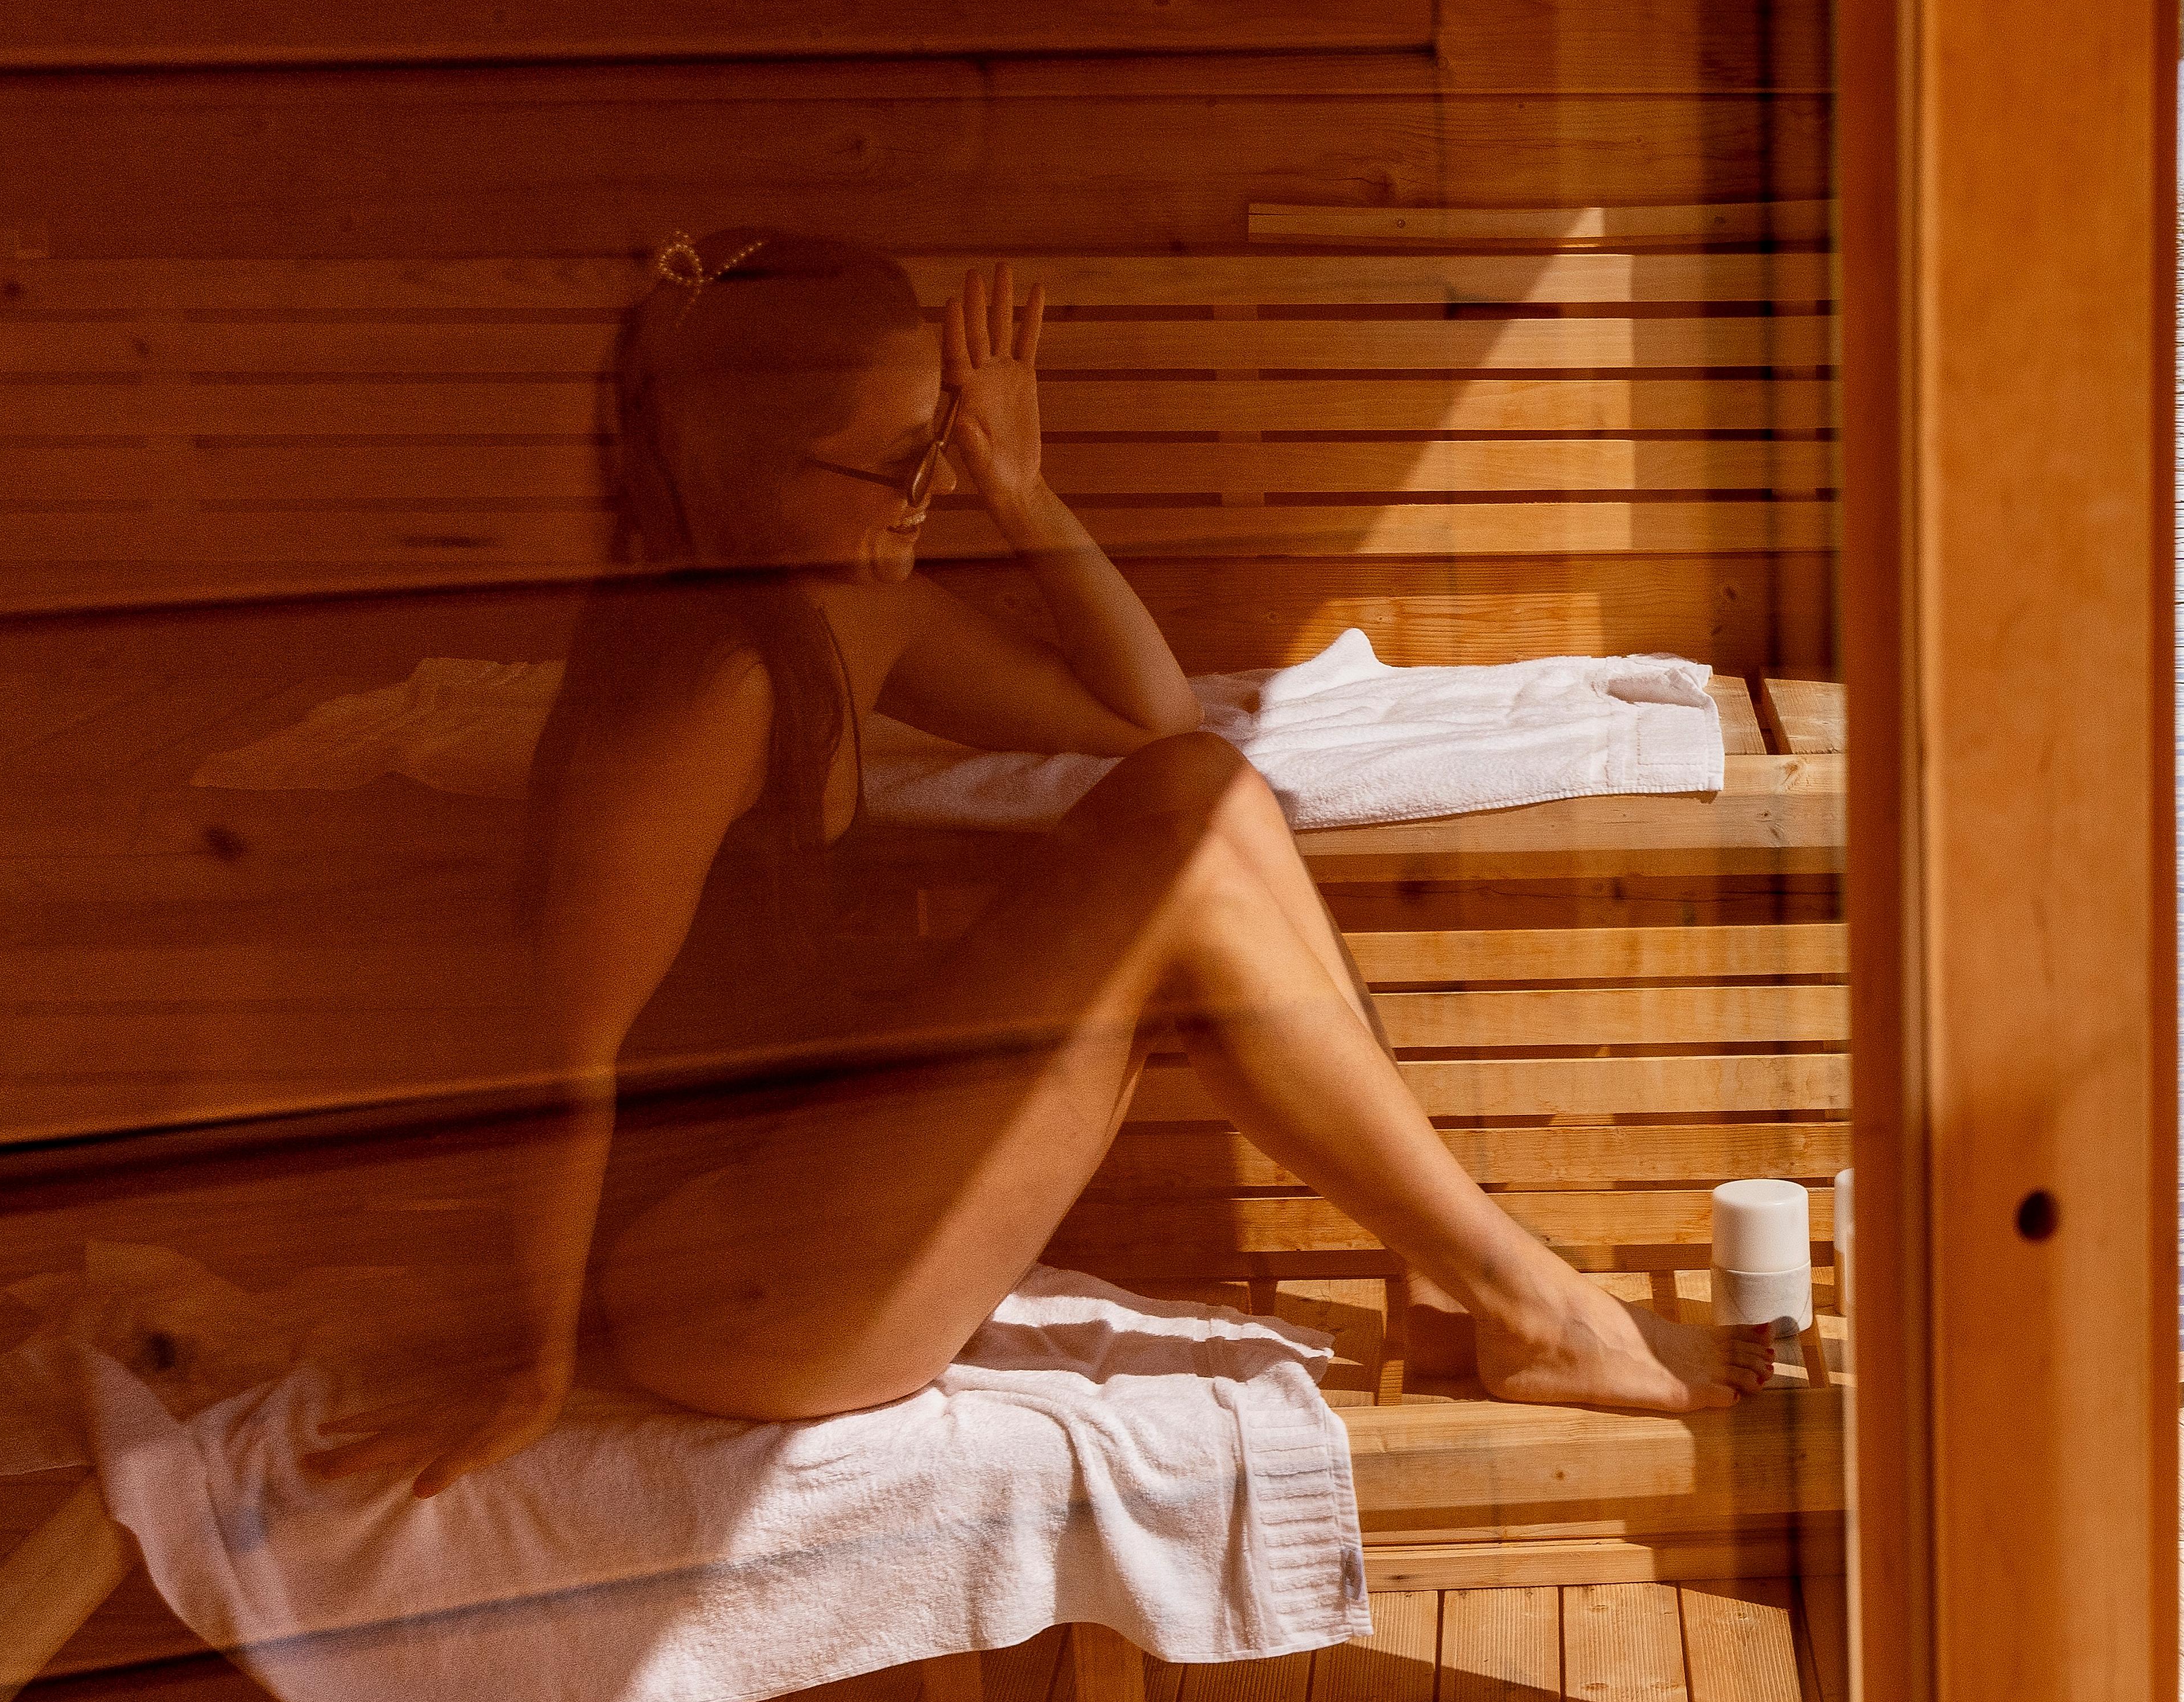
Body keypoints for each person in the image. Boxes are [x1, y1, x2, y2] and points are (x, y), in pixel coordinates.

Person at [311, 231, 1769, 1496]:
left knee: (1200, 794)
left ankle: (1477, 1285)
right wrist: (533, 1374)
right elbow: (565, 1060)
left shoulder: (842, 602)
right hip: (730, 1295)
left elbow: (1145, 726)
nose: (926, 487)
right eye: (899, 462)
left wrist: (1023, 486)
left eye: (937, 440)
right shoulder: (694, 697)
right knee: (1190, 837)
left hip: (806, 1188)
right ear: (743, 474)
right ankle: (1524, 1303)